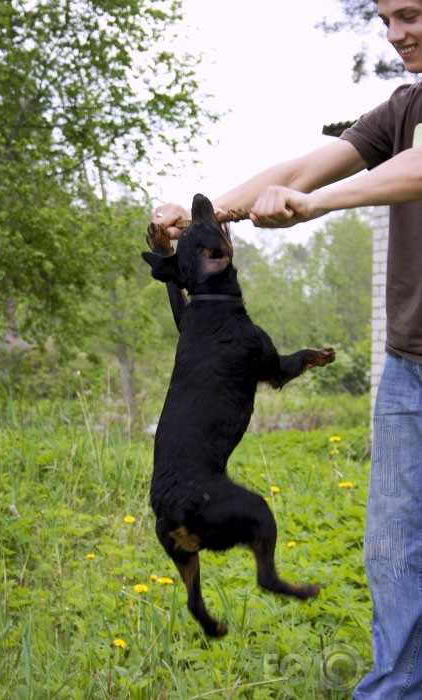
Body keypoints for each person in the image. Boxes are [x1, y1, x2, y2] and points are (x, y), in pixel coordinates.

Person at [152, 1, 422, 697]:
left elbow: (417, 169)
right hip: (408, 362)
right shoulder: (402, 107)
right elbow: (309, 163)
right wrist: (202, 214)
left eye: (412, 13)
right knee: (394, 547)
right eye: (385, 20)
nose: (396, 34)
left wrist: (315, 205)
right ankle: (393, 690)